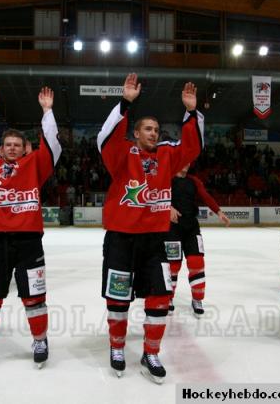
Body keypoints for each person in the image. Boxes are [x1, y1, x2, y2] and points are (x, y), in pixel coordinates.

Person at [97, 73, 204, 383]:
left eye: (157, 129)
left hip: (155, 240)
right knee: (117, 300)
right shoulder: (122, 155)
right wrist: (125, 102)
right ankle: (117, 347)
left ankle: (151, 351)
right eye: (148, 128)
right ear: (136, 132)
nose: (154, 133)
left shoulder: (168, 156)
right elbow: (105, 139)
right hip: (120, 240)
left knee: (159, 297)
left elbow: (192, 148)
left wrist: (190, 113)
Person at [0, 85, 61, 368]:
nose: (12, 148)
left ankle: (40, 339)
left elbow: (52, 145)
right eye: (7, 144)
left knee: (34, 297)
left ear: (24, 149)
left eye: (17, 145)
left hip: (29, 242)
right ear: (0, 148)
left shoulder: (35, 166)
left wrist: (47, 111)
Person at [165, 164, 230, 317]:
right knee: (173, 265)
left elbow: (205, 196)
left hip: (191, 227)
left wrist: (219, 212)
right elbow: (155, 196)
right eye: (183, 161)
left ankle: (197, 299)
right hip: (172, 228)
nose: (186, 165)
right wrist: (168, 206)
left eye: (188, 162)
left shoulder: (194, 181)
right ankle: (168, 298)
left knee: (197, 262)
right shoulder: (166, 179)